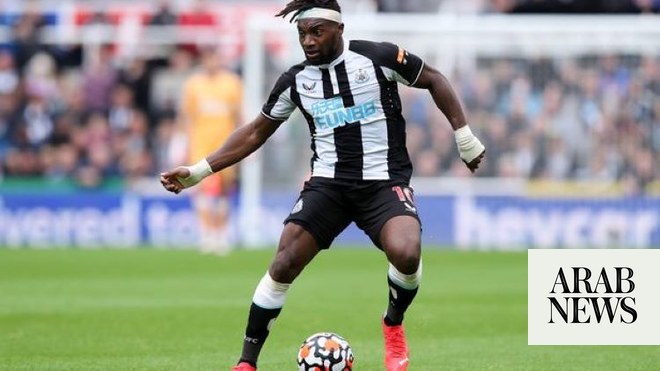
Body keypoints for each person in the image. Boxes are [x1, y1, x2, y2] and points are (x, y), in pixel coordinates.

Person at [160, 0, 485, 369]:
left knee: (407, 253)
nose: (308, 41)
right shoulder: (296, 79)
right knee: (283, 262)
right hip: (328, 186)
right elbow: (254, 133)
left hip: (383, 183)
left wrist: (464, 136)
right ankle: (246, 362)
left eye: (317, 32)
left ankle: (392, 324)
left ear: (339, 30)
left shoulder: (377, 57)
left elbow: (434, 79)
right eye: (302, 34)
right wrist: (199, 171)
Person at [179, 45, 242, 254]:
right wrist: (185, 145)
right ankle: (206, 234)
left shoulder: (232, 83)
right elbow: (187, 117)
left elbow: (239, 116)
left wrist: (247, 147)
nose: (211, 62)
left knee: (225, 189)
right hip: (201, 144)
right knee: (201, 189)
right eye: (207, 58)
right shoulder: (193, 84)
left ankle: (221, 234)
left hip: (226, 145)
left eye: (214, 57)